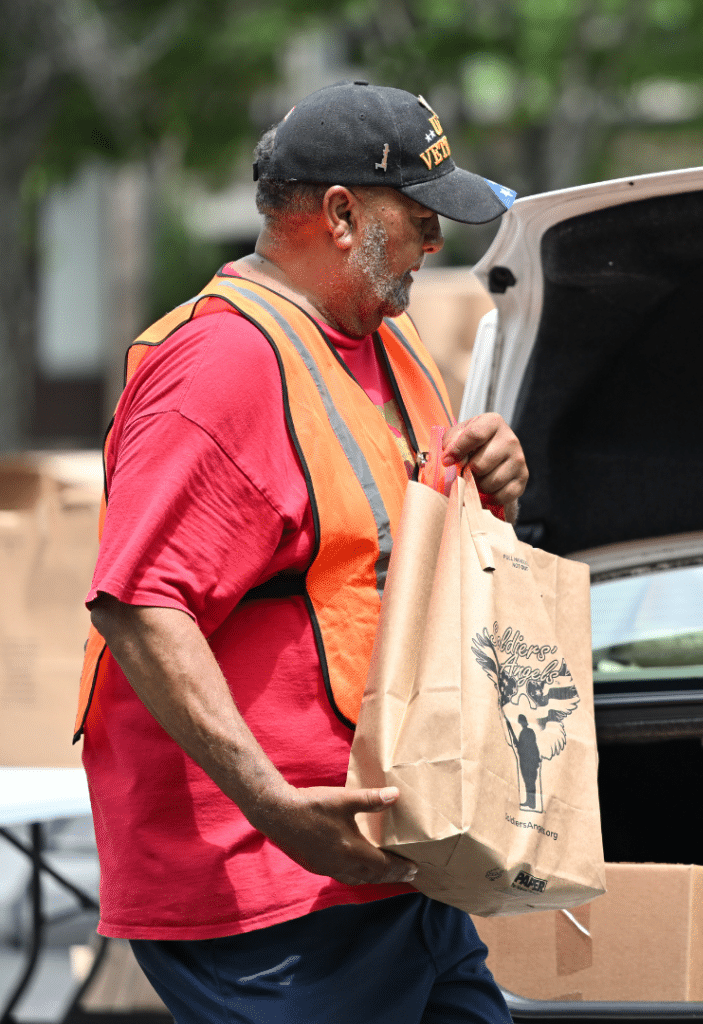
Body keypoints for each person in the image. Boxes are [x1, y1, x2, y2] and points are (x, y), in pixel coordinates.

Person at [76, 81, 528, 1024]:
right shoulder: (223, 363)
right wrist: (277, 805)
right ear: (340, 214)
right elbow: (138, 604)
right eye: (420, 217)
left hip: (394, 863)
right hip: (268, 896)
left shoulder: (382, 339)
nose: (438, 243)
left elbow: (389, 557)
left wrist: (495, 482)